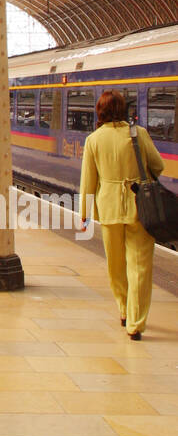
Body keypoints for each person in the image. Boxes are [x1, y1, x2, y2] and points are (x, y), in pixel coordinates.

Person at [79, 90, 163, 340]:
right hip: (141, 209)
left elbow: (88, 181)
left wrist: (84, 215)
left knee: (116, 266)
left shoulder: (94, 140)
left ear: (100, 111)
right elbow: (158, 165)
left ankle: (124, 309)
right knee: (140, 267)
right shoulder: (140, 134)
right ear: (123, 109)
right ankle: (136, 323)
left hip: (109, 209)